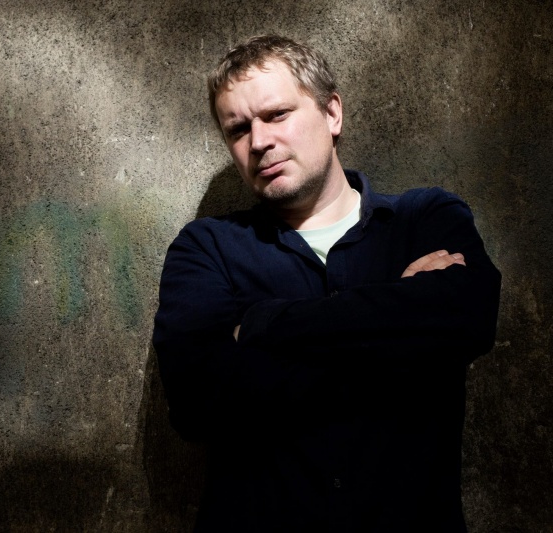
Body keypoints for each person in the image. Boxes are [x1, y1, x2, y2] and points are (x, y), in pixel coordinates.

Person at [152, 35, 501, 532]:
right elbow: (197, 404)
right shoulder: (207, 248)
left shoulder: (425, 218)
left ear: (332, 113)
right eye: (238, 129)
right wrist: (398, 319)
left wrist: (261, 324)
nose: (259, 141)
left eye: (276, 114)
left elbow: (470, 320)